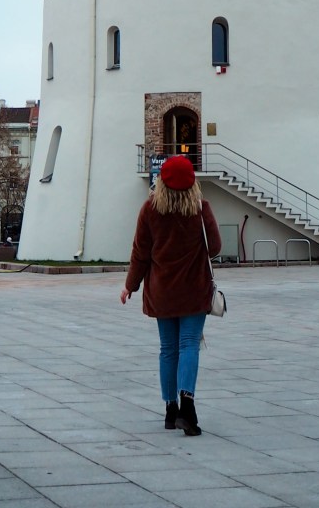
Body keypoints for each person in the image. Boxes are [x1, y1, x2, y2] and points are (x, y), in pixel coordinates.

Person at [120, 155, 220, 437]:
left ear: (161, 181)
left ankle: (170, 409)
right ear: (193, 183)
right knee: (189, 344)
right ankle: (188, 405)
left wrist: (130, 285)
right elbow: (214, 247)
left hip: (162, 291)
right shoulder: (201, 209)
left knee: (168, 348)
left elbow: (140, 252)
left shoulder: (149, 210)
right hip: (193, 289)